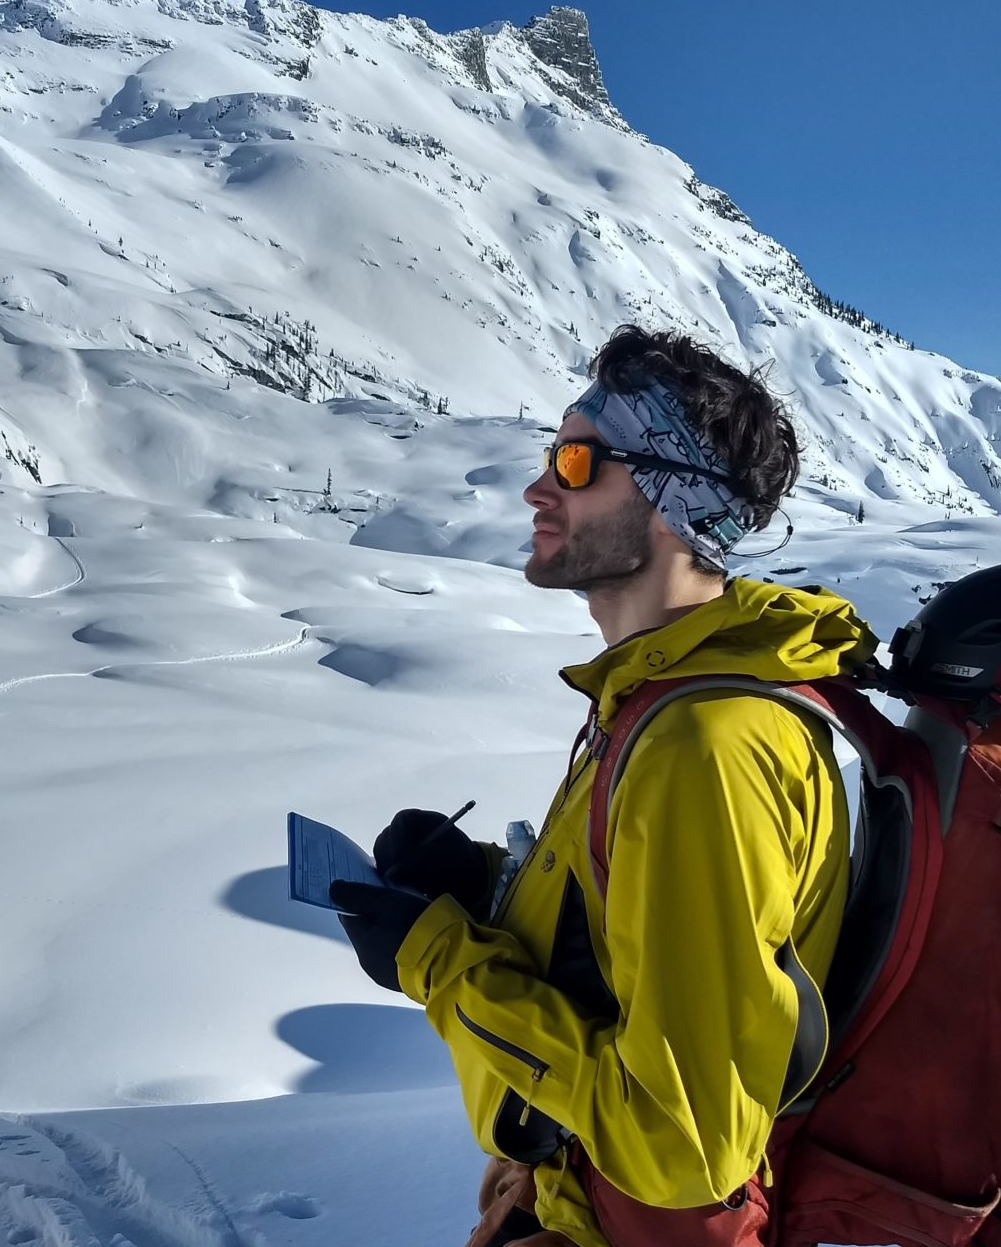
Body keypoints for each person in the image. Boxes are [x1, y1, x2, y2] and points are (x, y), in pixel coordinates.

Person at [330, 325, 879, 1247]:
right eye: (553, 454)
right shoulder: (656, 697)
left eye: (579, 461)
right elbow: (626, 959)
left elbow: (681, 1143)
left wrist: (437, 960)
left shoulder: (705, 746)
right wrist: (483, 892)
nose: (539, 485)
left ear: (672, 502)